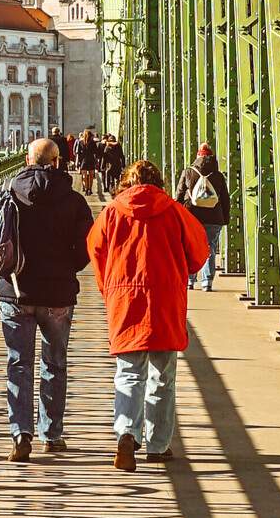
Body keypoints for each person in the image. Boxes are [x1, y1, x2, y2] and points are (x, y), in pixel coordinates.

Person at [88, 159, 209, 470]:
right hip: (166, 298)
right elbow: (198, 251)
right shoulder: (174, 211)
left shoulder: (112, 211)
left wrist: (109, 288)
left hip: (125, 299)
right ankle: (157, 445)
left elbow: (96, 251)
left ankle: (126, 433)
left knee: (129, 372)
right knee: (163, 375)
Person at [0, 138, 93, 462]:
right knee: (54, 363)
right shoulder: (75, 201)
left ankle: (20, 435)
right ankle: (51, 434)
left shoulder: (9, 194)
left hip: (15, 292)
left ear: (27, 160)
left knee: (18, 364)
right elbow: (85, 251)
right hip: (58, 295)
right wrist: (67, 268)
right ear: (57, 162)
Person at [174, 142, 232, 292]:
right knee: (209, 248)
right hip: (214, 217)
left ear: (198, 156)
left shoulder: (188, 172)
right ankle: (207, 282)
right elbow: (225, 199)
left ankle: (190, 280)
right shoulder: (218, 176)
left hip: (192, 216)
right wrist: (225, 218)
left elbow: (179, 195)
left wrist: (176, 216)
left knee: (190, 247)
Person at [74, 128, 101, 196]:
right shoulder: (92, 142)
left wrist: (78, 162)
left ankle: (86, 189)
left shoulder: (80, 142)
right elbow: (96, 152)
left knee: (84, 176)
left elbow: (78, 153)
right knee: (91, 176)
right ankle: (89, 189)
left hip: (83, 161)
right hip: (91, 160)